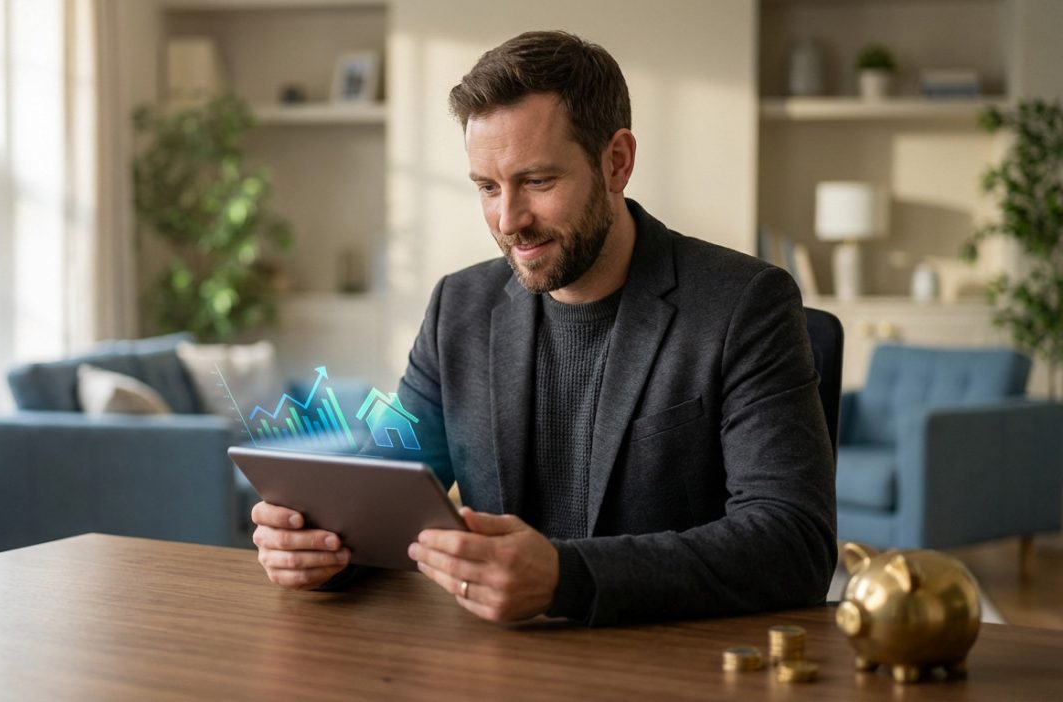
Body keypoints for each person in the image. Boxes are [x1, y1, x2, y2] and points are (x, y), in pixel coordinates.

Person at [250, 30, 836, 626]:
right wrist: (321, 544)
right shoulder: (460, 306)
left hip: (674, 664)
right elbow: (383, 496)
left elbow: (794, 543)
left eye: (537, 182)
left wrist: (567, 578)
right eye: (487, 187)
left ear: (617, 162)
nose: (509, 220)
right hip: (496, 664)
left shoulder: (744, 303)